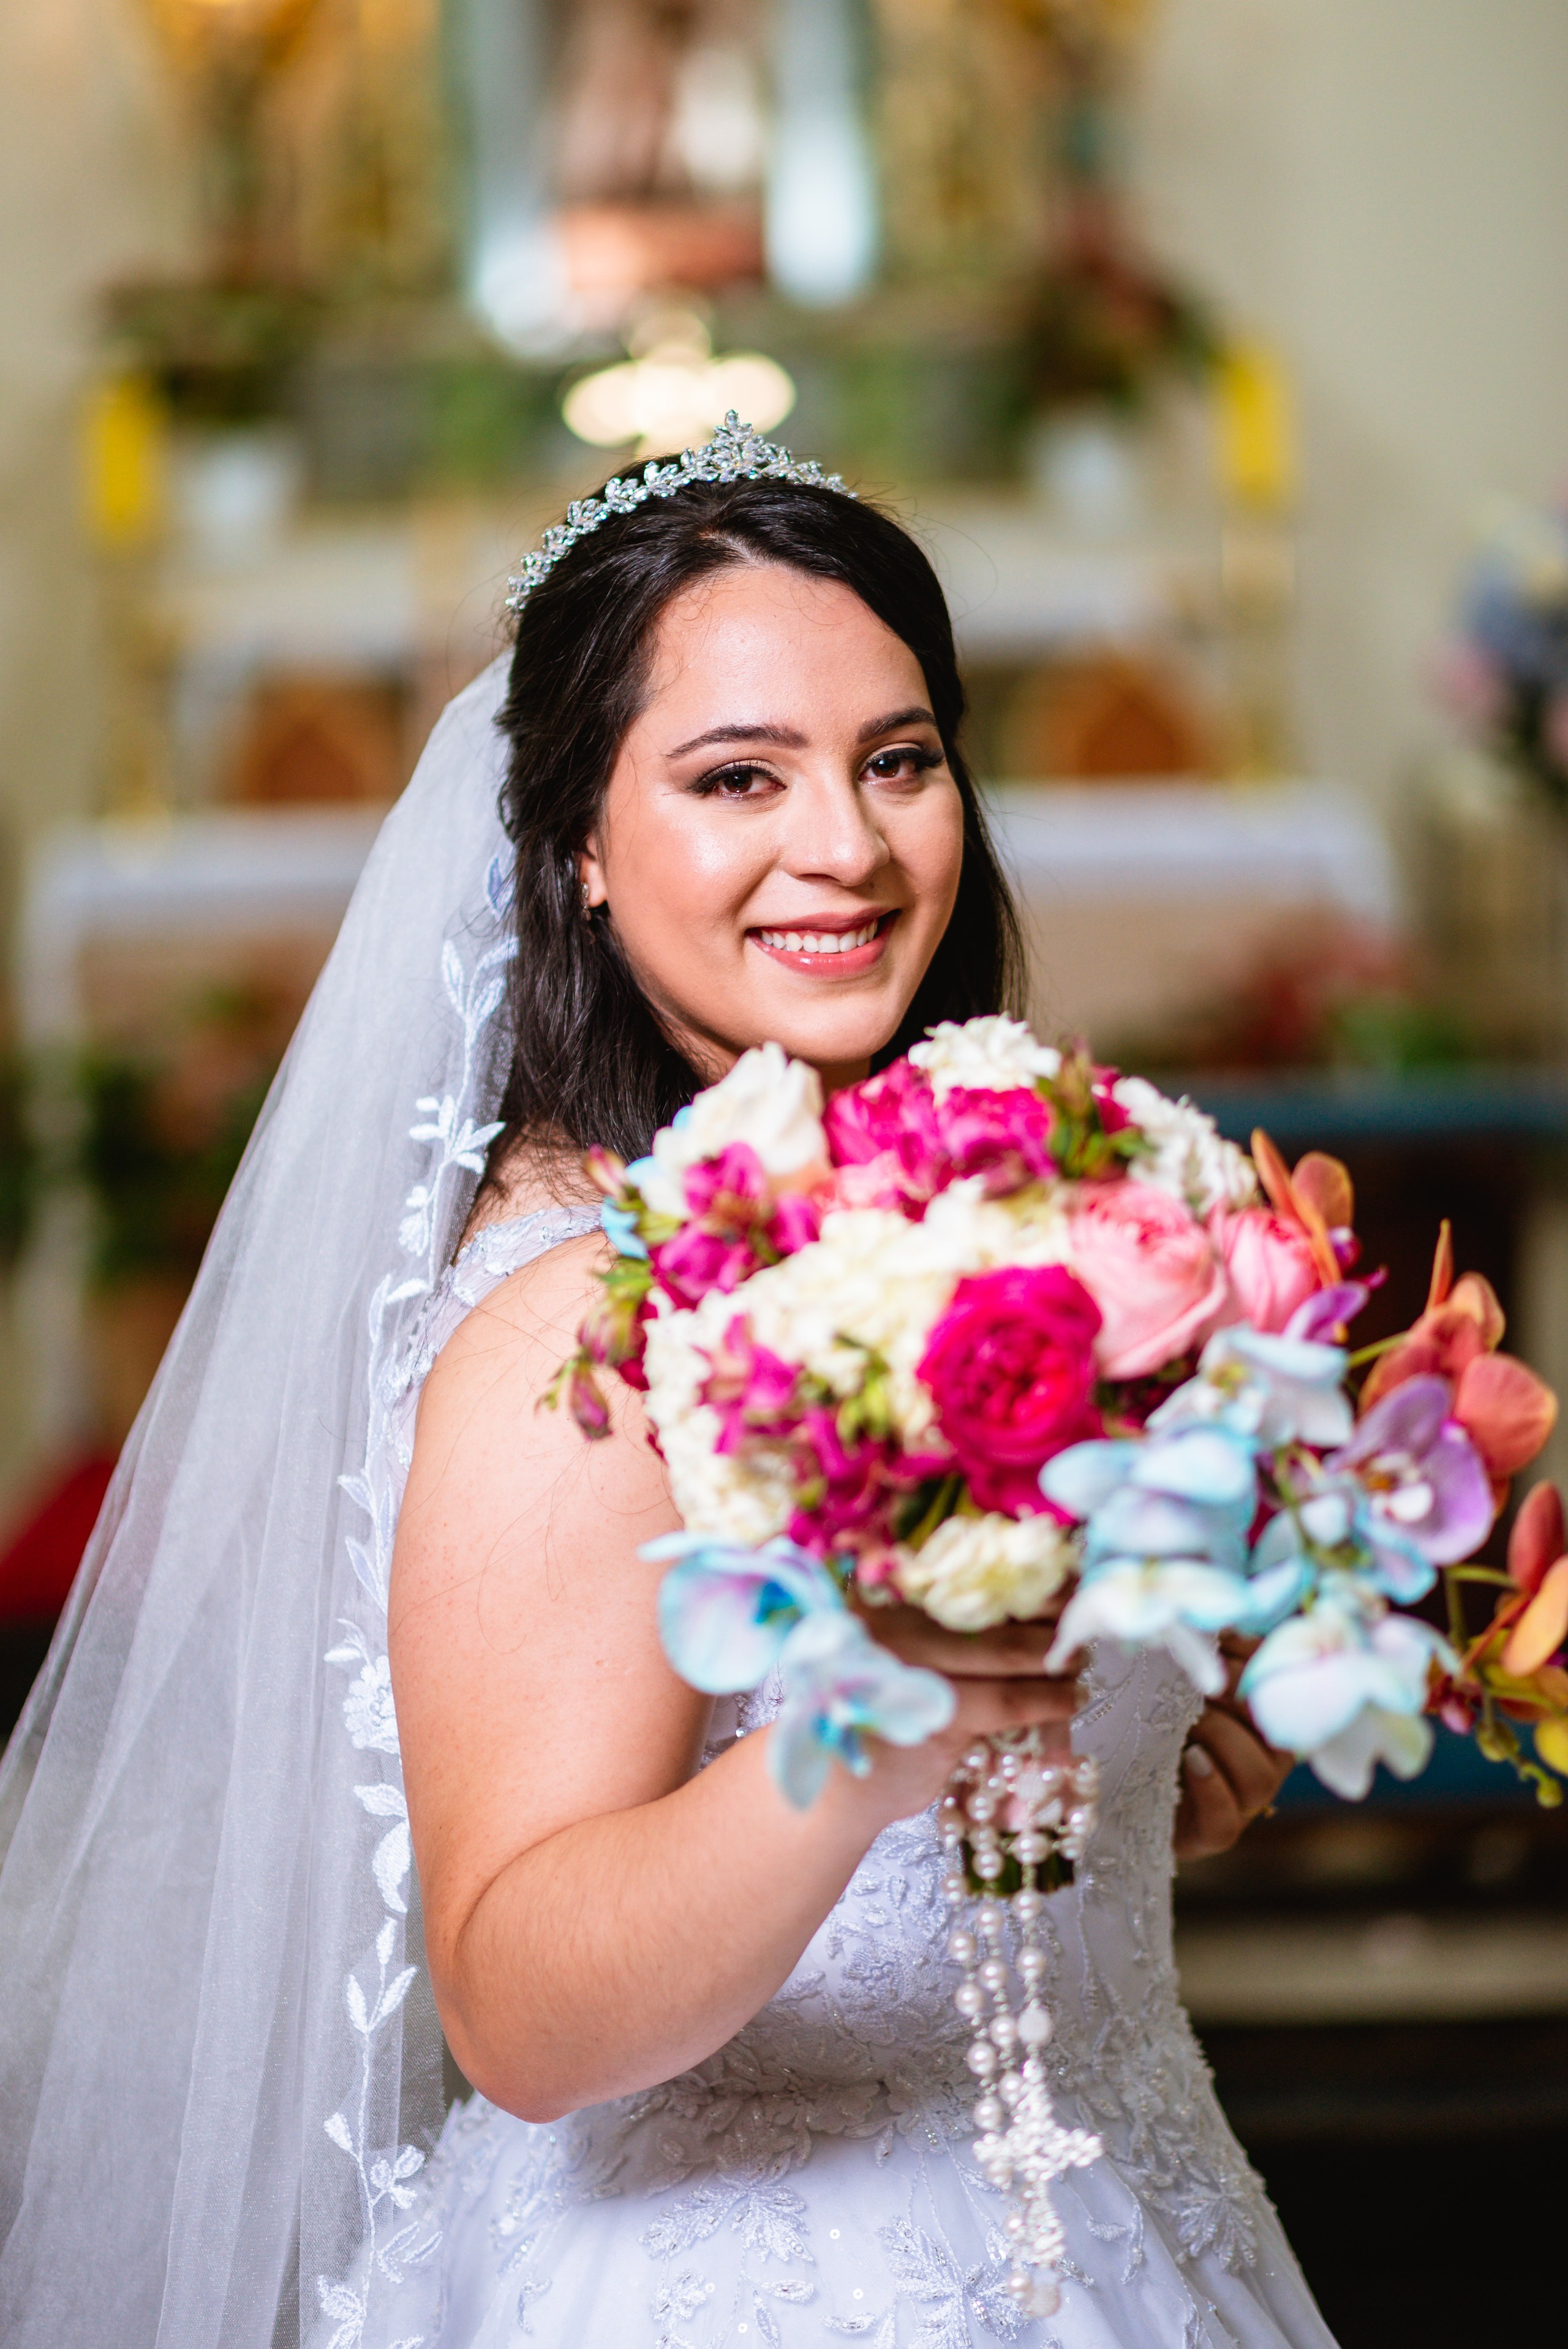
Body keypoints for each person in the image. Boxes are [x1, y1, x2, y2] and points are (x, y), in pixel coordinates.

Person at [0, 423, 1316, 2349]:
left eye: (899, 759)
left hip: (1116, 2226)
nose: (847, 848)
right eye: (735, 779)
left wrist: (1129, 1752)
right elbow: (519, 2005)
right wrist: (874, 1743)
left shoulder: (979, 1204)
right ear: (583, 853)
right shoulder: (577, 1328)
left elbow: (945, 1820)